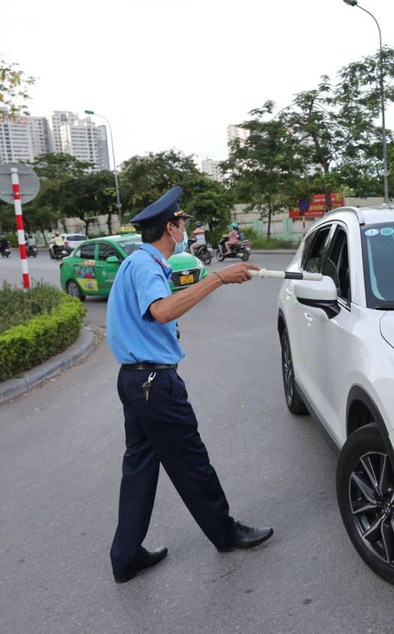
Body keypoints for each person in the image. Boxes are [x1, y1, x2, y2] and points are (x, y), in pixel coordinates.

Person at [105, 187, 273, 584]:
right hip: (153, 384)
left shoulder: (138, 263)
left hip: (134, 381)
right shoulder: (146, 265)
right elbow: (162, 311)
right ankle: (226, 533)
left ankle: (126, 555)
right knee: (191, 461)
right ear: (170, 227)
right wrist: (217, 278)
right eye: (182, 224)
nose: (186, 229)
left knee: (140, 467)